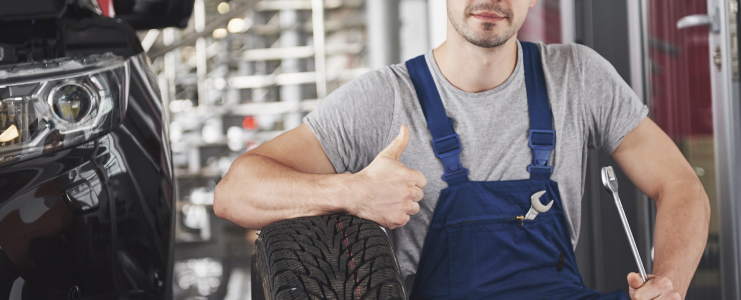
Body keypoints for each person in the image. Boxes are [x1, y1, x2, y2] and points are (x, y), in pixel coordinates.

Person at [214, 0, 710, 299]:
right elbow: (236, 192)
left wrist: (668, 283)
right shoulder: (384, 98)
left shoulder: (578, 76)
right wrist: (353, 192)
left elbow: (681, 186)